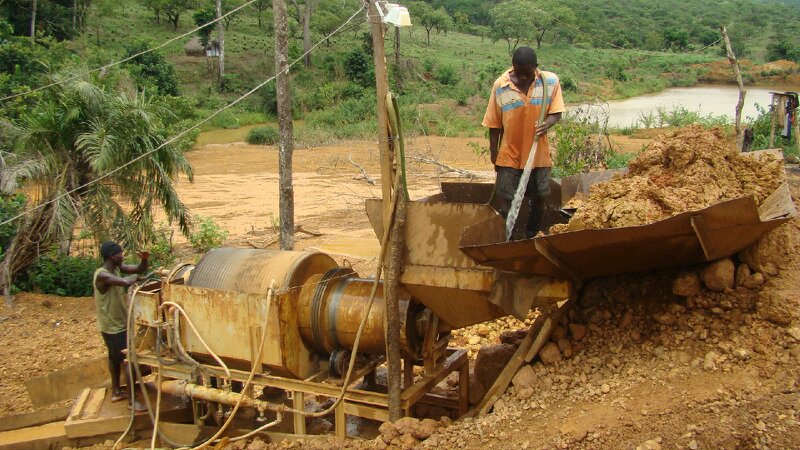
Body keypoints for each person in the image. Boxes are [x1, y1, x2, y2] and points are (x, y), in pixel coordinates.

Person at [482, 46, 565, 239]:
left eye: (528, 73)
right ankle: (507, 240)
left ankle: (531, 235)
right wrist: (494, 153)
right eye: (520, 73)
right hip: (509, 154)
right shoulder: (501, 86)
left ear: (536, 67)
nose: (524, 77)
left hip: (538, 155)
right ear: (513, 67)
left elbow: (556, 112)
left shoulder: (550, 82)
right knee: (505, 200)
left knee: (540, 196)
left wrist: (547, 124)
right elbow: (494, 124)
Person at [93, 240, 148, 410]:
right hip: (113, 327)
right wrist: (135, 278)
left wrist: (144, 260)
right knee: (129, 361)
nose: (122, 256)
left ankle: (116, 392)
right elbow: (125, 282)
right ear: (112, 256)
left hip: (115, 324)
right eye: (120, 254)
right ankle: (132, 401)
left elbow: (138, 269)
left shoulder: (116, 268)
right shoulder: (102, 275)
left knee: (114, 358)